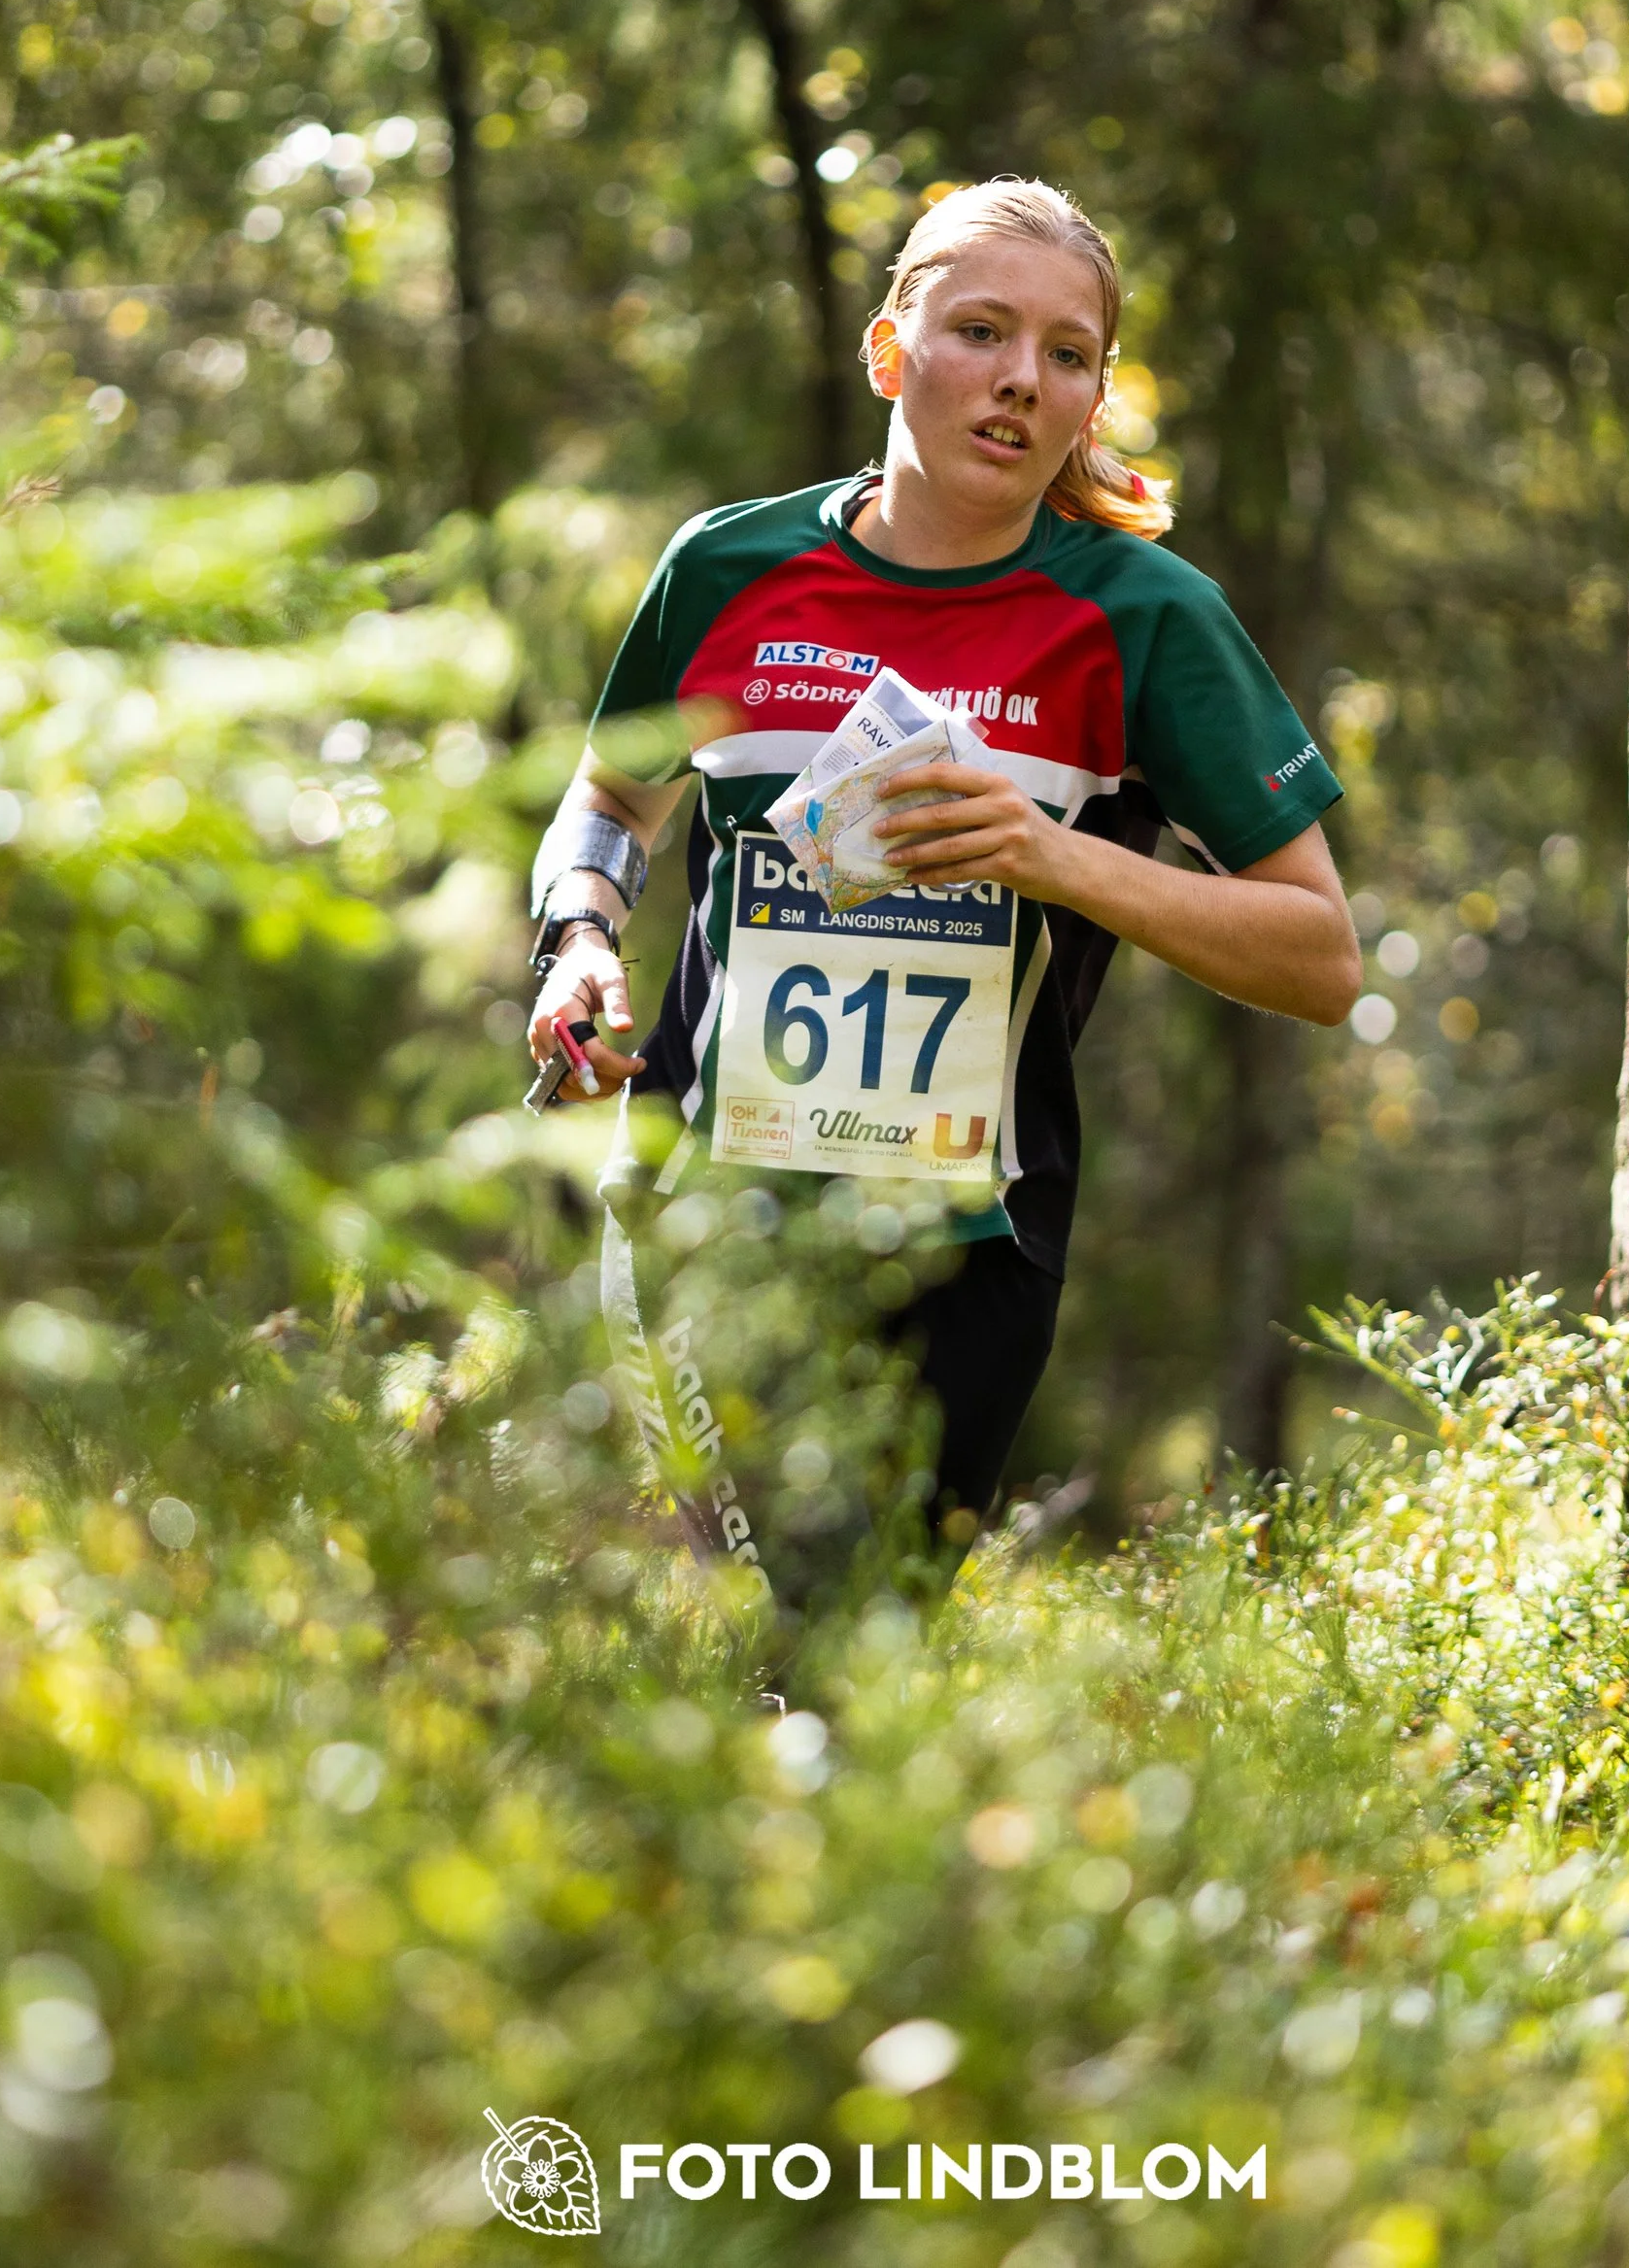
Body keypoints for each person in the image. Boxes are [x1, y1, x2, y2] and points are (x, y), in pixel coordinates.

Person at [525, 176, 1359, 1617]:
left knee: (867, 1652)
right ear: (890, 352)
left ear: (1091, 399)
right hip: (705, 1206)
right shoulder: (728, 569)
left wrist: (1052, 854)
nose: (1023, 378)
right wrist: (581, 938)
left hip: (974, 1244)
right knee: (750, 1635)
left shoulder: (1144, 621)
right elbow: (610, 803)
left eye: (1067, 354)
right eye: (982, 331)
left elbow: (1323, 957)